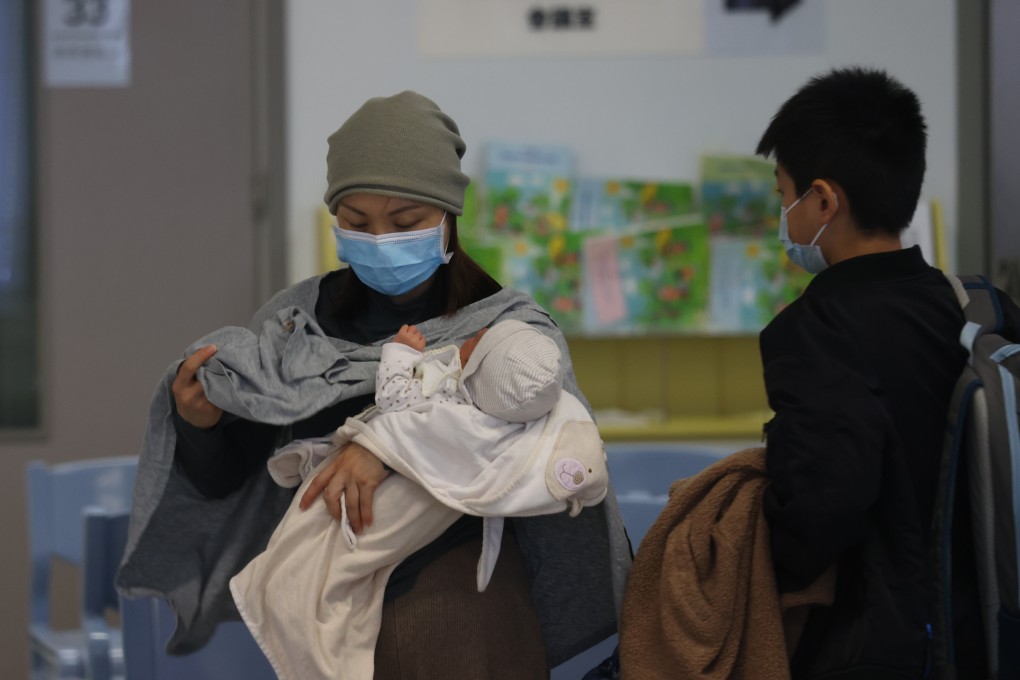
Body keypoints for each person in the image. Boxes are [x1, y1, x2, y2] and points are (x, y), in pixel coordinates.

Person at [115, 90, 631, 678]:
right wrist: (201, 427)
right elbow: (239, 485)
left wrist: (385, 446)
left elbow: (535, 450)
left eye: (405, 223)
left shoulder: (505, 329)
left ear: (447, 218)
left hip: (457, 608)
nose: (381, 239)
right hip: (316, 597)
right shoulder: (296, 323)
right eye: (357, 223)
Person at [752, 67, 1020, 678]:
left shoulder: (815, 330)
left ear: (824, 201)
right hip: (991, 630)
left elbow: (815, 519)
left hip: (882, 647)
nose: (783, 213)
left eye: (783, 195)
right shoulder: (980, 306)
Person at [229, 317, 609, 680]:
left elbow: (394, 401)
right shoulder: (515, 415)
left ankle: (291, 595)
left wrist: (400, 353)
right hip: (466, 587)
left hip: (422, 557)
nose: (478, 330)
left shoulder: (452, 409)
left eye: (481, 339)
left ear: (478, 369)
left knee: (320, 553)